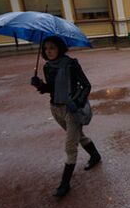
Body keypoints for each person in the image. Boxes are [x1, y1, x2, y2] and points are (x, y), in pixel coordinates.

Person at [30, 36, 101, 198]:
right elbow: (52, 89)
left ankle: (64, 184)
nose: (49, 51)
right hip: (55, 109)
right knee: (78, 136)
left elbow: (86, 85)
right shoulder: (48, 67)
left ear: (60, 48)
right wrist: (40, 85)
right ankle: (95, 155)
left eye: (52, 48)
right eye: (46, 48)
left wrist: (77, 102)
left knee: (70, 146)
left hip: (72, 110)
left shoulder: (71, 64)